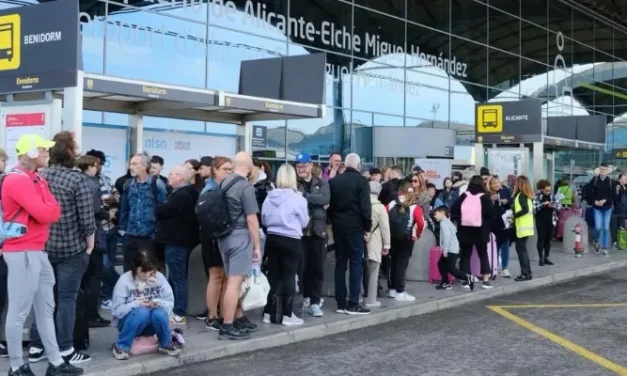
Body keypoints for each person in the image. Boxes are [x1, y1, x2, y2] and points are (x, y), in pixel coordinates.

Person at [2, 134, 84, 376]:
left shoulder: (36, 178)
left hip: (35, 251)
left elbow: (53, 211)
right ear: (30, 153)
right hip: (23, 251)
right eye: (43, 150)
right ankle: (17, 366)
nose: (48, 153)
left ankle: (56, 362)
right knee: (19, 311)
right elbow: (47, 213)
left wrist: (45, 210)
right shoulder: (18, 181)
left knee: (45, 308)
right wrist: (45, 210)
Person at [29, 131, 96, 365]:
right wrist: (90, 246)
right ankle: (66, 349)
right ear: (69, 151)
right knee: (66, 299)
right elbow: (87, 220)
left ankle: (36, 347)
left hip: (42, 248)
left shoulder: (39, 177)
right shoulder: (77, 180)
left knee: (43, 300)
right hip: (71, 250)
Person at [215, 152, 261, 340]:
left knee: (230, 281)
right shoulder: (245, 187)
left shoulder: (224, 183)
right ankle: (227, 325)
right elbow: (252, 220)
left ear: (234, 165)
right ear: (249, 168)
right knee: (235, 283)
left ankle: (236, 317)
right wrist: (257, 246)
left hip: (223, 237)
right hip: (240, 236)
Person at [261, 164, 309, 326]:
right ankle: (287, 315)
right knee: (289, 275)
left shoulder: (269, 197)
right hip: (291, 238)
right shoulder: (298, 198)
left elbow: (264, 219)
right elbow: (304, 221)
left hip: (273, 237)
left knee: (273, 276)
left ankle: (268, 312)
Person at [111, 250, 180, 360]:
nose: (146, 274)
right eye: (142, 271)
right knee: (142, 312)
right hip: (129, 322)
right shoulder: (124, 280)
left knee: (160, 313)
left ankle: (165, 344)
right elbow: (117, 311)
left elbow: (169, 302)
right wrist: (137, 303)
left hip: (152, 323)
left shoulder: (159, 278)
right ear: (135, 268)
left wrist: (158, 302)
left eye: (149, 271)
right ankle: (121, 346)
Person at [156, 165, 199, 325]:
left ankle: (179, 312)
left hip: (177, 242)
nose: (169, 176)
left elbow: (162, 211)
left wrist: (159, 206)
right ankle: (175, 308)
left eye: (173, 174)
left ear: (181, 177)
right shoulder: (184, 193)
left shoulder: (181, 196)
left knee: (177, 277)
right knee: (175, 276)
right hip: (178, 241)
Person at [328, 153, 372, 315]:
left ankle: (340, 303)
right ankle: (353, 302)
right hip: (355, 228)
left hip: (338, 228)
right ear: (359, 165)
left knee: (340, 264)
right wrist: (367, 228)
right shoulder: (362, 182)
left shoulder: (334, 182)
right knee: (355, 265)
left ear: (344, 165)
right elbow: (366, 208)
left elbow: (330, 206)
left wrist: (333, 222)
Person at [76, 155, 112, 329]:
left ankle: (83, 313)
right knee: (95, 275)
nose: (97, 168)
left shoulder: (76, 180)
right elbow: (95, 210)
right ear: (89, 167)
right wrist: (108, 214)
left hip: (78, 237)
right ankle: (92, 314)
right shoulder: (92, 183)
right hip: (94, 235)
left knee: (83, 277)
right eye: (95, 165)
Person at [119, 153, 168, 272]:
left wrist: (156, 234)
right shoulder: (128, 184)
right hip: (130, 234)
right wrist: (122, 230)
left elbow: (163, 211)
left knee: (151, 271)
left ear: (145, 166)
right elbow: (124, 209)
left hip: (149, 236)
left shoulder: (156, 184)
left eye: (135, 164)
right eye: (131, 164)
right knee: (129, 271)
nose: (131, 167)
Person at [85, 149, 120, 311]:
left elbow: (116, 196)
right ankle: (118, 282)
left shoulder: (106, 179)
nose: (98, 166)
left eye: (100, 163)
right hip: (97, 229)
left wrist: (114, 201)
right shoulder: (84, 180)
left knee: (109, 262)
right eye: (95, 163)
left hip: (111, 227)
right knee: (104, 266)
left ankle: (106, 296)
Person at [295, 153, 330, 318]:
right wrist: (316, 201)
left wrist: (305, 197)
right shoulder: (294, 183)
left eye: (303, 166)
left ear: (310, 165)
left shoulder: (321, 183)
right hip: (301, 233)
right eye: (298, 166)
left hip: (318, 231)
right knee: (302, 269)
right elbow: (320, 201)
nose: (300, 169)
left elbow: (325, 198)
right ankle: (305, 297)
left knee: (317, 268)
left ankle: (315, 302)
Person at [200, 157, 232, 329]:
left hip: (221, 236)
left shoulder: (222, 187)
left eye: (230, 169)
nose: (229, 172)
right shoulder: (210, 189)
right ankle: (212, 316)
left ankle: (219, 313)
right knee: (216, 275)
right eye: (225, 169)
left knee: (224, 276)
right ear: (215, 170)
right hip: (212, 237)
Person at [450, 175, 496, 290]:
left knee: (466, 255)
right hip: (481, 231)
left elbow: (453, 210)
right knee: (483, 254)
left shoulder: (464, 196)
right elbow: (491, 213)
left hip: (465, 230)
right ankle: (485, 281)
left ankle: (467, 281)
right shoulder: (484, 197)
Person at [387, 183, 425, 302]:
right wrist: (417, 235)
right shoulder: (415, 207)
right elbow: (421, 223)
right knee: (402, 265)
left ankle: (392, 289)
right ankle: (400, 291)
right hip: (407, 238)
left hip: (392, 237)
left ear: (400, 191)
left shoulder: (391, 203)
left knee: (393, 263)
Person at [433, 206, 475, 291]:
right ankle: (445, 283)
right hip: (452, 248)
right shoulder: (448, 222)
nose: (435, 216)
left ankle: (467, 278)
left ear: (442, 213)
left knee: (451, 268)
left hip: (450, 249)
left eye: (436, 214)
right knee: (441, 264)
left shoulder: (444, 223)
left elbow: (447, 237)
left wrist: (445, 251)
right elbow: (454, 231)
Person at [364, 182, 390, 307]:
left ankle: (357, 297)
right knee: (373, 271)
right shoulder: (380, 207)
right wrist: (387, 245)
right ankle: (371, 299)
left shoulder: (361, 204)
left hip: (361, 241)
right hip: (374, 242)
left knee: (359, 270)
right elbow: (385, 228)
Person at [586, 162, 615, 256]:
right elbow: (588, 193)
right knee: (598, 227)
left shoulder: (611, 182)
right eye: (601, 169)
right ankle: (596, 240)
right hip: (597, 208)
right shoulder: (594, 180)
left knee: (606, 228)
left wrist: (605, 200)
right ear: (599, 169)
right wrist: (594, 201)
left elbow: (614, 196)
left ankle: (605, 248)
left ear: (607, 171)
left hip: (607, 208)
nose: (603, 171)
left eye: (604, 170)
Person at [487, 176, 512, 278]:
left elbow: (511, 202)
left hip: (504, 222)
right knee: (494, 246)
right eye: (494, 183)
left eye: (498, 182)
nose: (497, 185)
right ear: (490, 185)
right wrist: (491, 201)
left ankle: (505, 268)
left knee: (505, 244)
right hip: (493, 223)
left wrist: (507, 201)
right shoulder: (487, 194)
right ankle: (494, 266)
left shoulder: (505, 191)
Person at [534, 180, 561, 267]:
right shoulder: (537, 196)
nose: (548, 192)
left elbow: (559, 206)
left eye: (549, 190)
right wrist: (542, 204)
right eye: (546, 190)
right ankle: (540, 258)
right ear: (542, 189)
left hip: (551, 220)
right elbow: (533, 208)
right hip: (540, 220)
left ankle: (546, 257)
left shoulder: (553, 196)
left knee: (548, 240)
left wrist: (553, 205)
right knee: (541, 239)